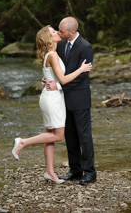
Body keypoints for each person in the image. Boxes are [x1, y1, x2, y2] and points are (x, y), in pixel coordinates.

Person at [11, 25, 92, 184]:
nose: (57, 32)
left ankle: (49, 171)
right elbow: (62, 80)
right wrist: (81, 69)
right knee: (58, 135)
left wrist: (48, 80)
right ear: (49, 38)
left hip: (50, 96)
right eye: (54, 32)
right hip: (53, 98)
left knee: (50, 136)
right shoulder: (53, 55)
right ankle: (23, 142)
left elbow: (52, 76)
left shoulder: (53, 53)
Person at [47, 17, 97, 186]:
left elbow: (82, 76)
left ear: (73, 32)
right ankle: (75, 170)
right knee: (69, 136)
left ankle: (90, 172)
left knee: (84, 136)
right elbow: (58, 70)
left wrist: (59, 85)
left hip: (80, 98)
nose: (59, 33)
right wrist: (47, 79)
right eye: (58, 30)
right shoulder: (60, 45)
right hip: (62, 99)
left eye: (62, 31)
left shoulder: (86, 47)